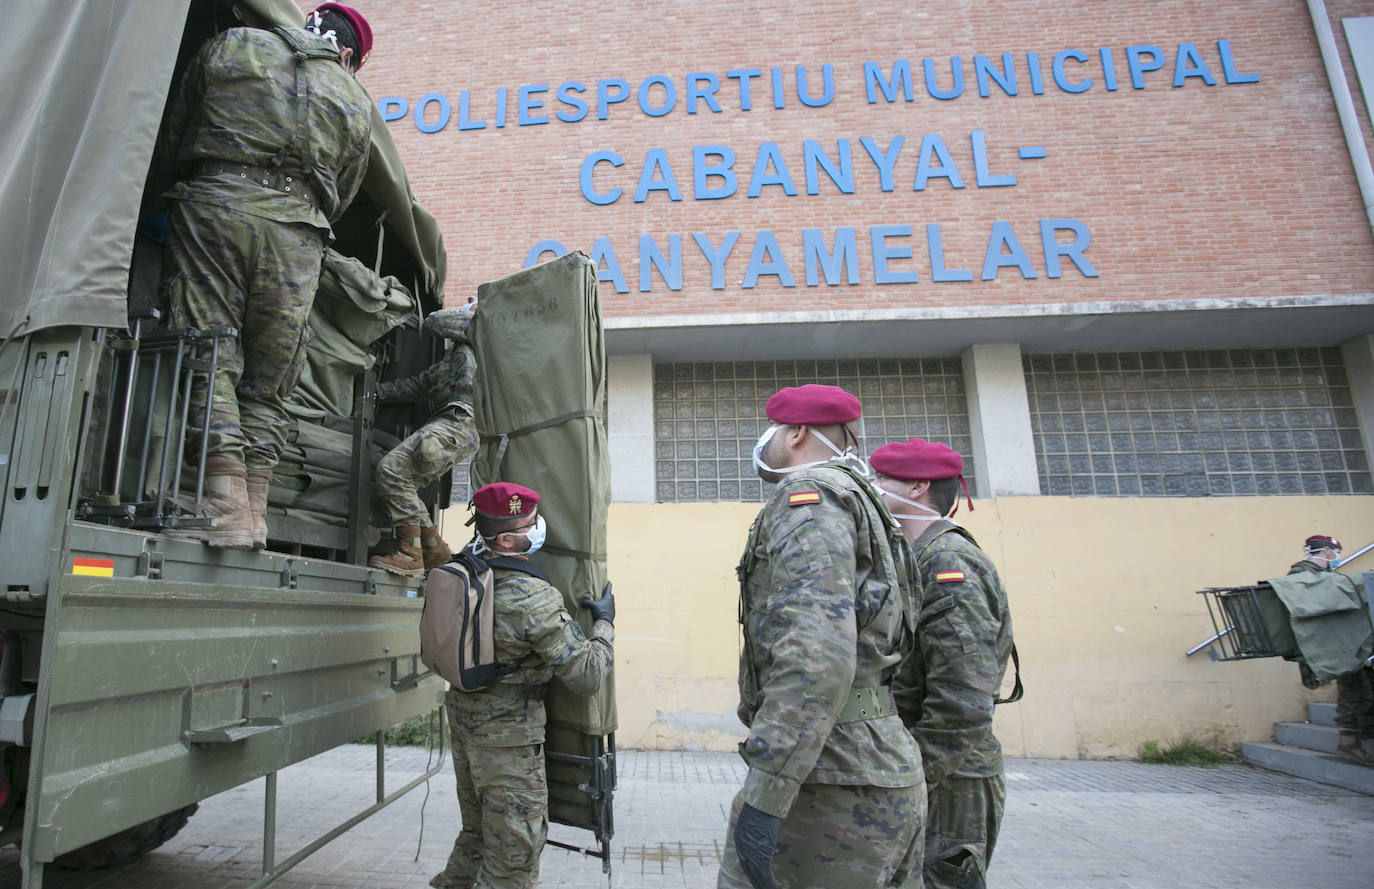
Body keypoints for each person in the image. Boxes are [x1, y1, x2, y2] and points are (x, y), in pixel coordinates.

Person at [153, 3, 374, 549]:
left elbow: (174, 133)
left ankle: (223, 499)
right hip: (297, 234)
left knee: (210, 349)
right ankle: (253, 510)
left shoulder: (232, 44)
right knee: (271, 377)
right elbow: (343, 194)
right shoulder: (354, 98)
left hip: (215, 207)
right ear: (347, 54)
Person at [718, 385, 924, 889]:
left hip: (829, 779)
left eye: (769, 431)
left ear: (796, 433)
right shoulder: (866, 501)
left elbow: (817, 655)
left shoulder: (809, 500)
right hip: (874, 761)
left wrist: (768, 792)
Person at [432, 482, 615, 889]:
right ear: (509, 538)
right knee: (513, 857)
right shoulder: (532, 596)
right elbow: (586, 675)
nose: (540, 528)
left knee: (477, 835)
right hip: (509, 744)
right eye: (532, 524)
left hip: (465, 728)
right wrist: (604, 624)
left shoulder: (463, 571)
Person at [871, 438, 1015, 889]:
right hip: (930, 767)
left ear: (916, 486)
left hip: (953, 780)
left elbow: (964, 702)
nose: (872, 487)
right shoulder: (912, 560)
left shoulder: (947, 564)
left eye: (880, 479)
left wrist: (911, 776)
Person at [370, 305, 480, 576]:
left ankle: (411, 554)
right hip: (452, 424)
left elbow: (434, 320)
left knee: (391, 471)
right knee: (404, 482)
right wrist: (373, 391)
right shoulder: (455, 358)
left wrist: (474, 310)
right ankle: (433, 549)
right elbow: (420, 385)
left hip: (459, 422)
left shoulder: (483, 333)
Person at [1287, 535, 1373, 765]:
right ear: (1327, 551)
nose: (1337, 557)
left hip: (1342, 645)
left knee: (1362, 689)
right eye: (1335, 552)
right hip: (1332, 646)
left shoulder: (1319, 576)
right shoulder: (1303, 576)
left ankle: (1358, 738)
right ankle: (1349, 744)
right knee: (1357, 692)